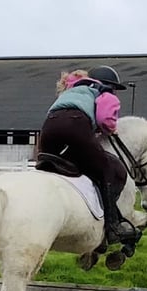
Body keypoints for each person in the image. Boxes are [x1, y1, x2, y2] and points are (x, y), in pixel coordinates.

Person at [38, 65, 139, 244]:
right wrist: (111, 129)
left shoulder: (72, 91)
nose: (115, 92)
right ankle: (113, 227)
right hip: (75, 126)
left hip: (48, 129)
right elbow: (105, 118)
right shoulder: (105, 93)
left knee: (52, 165)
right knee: (107, 169)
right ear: (109, 84)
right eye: (115, 88)